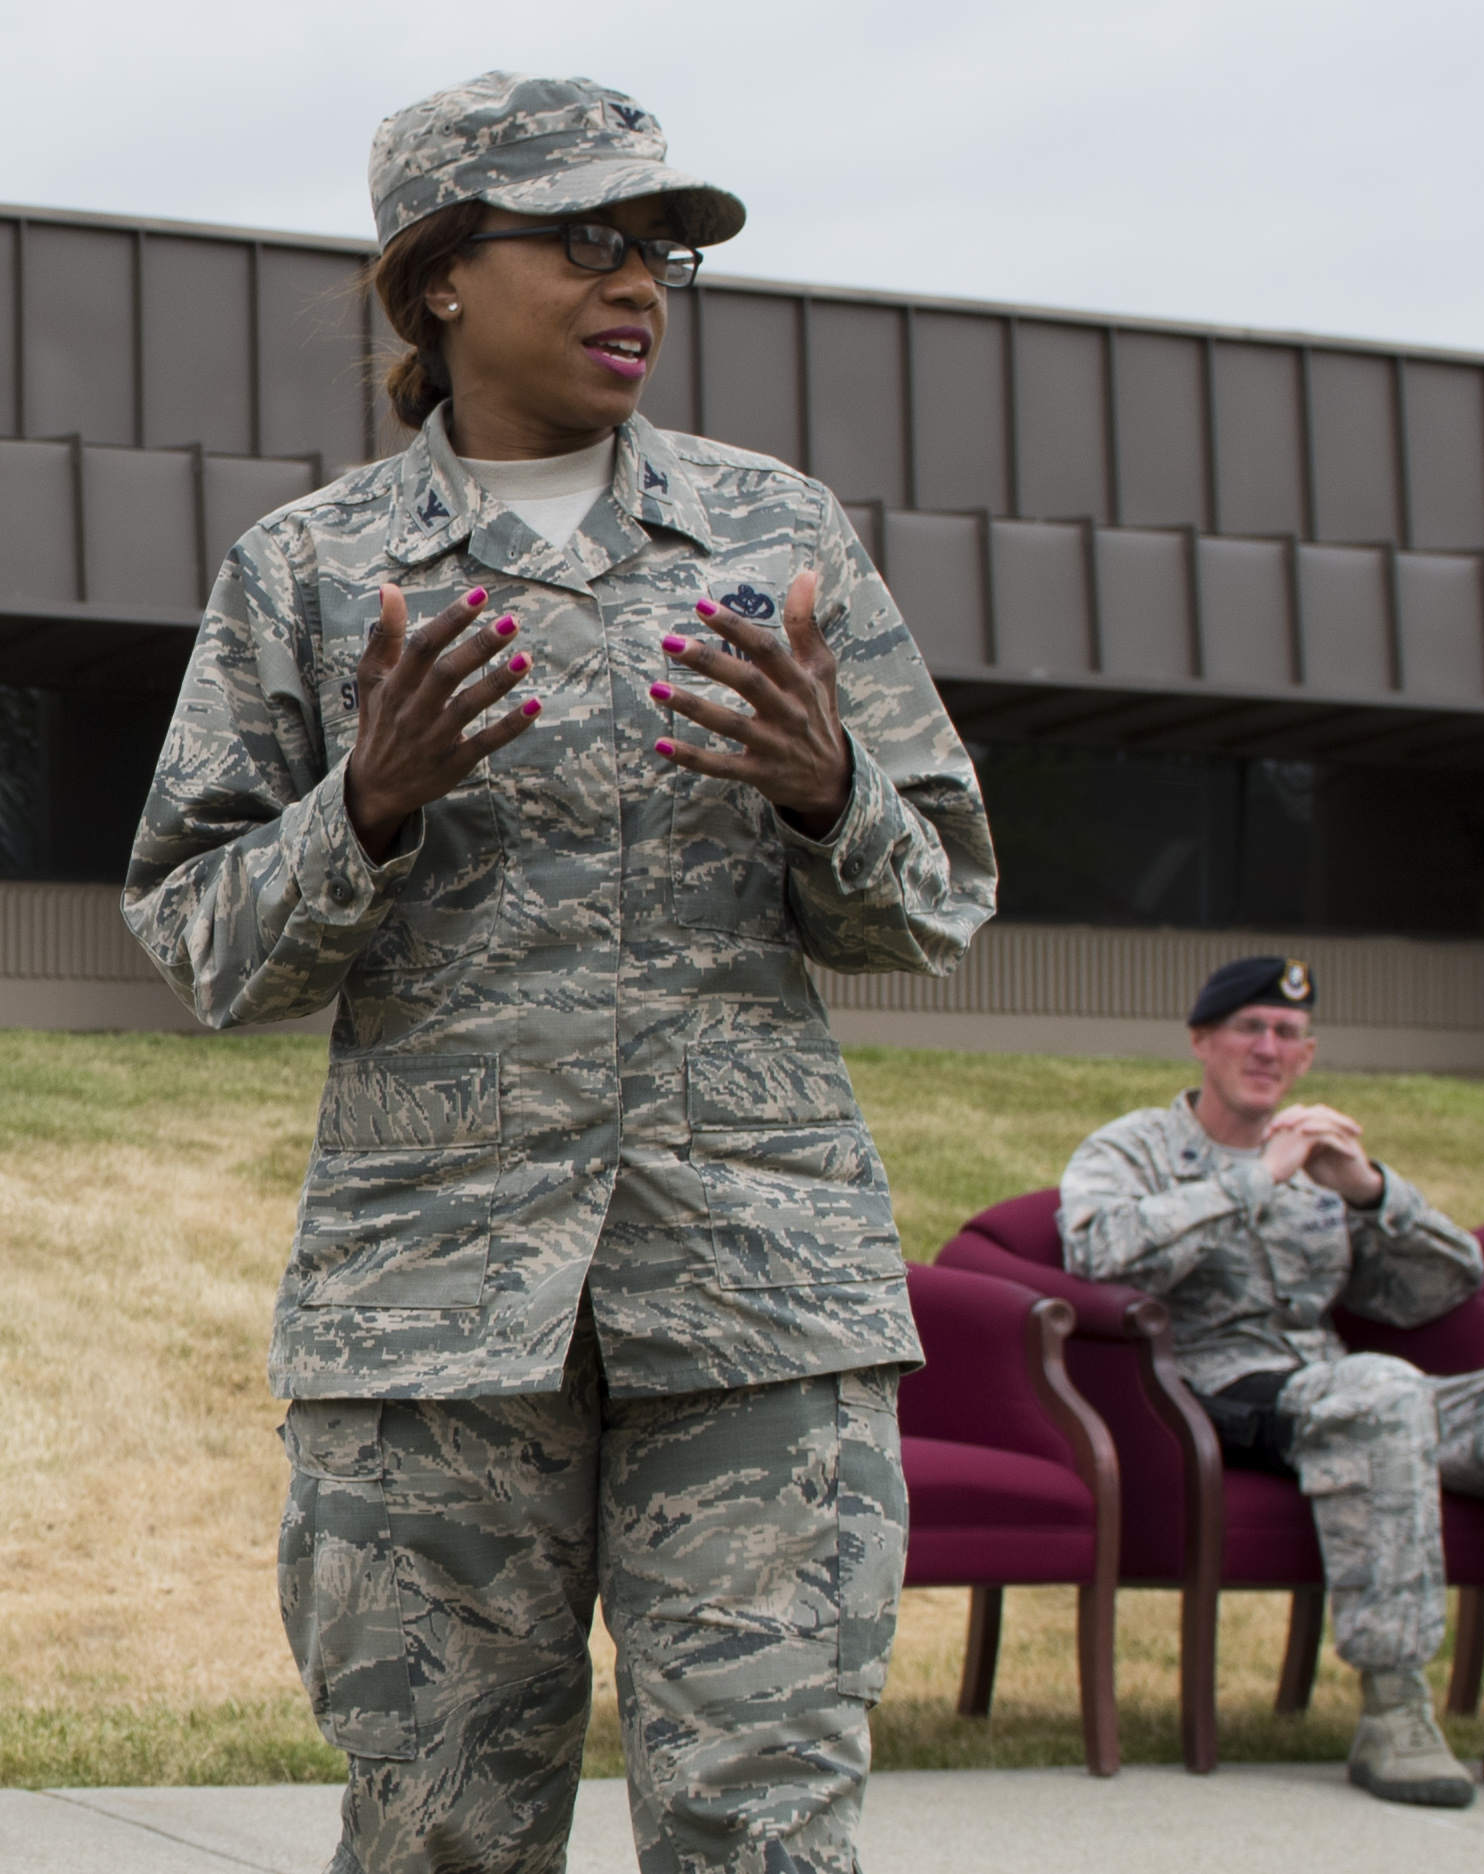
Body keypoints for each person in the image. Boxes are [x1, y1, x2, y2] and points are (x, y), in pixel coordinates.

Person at [123, 72, 994, 1874]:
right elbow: (198, 943)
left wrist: (829, 791)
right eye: (587, 238)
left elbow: (937, 902)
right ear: (439, 275)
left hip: (758, 1297)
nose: (640, 284)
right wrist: (358, 810)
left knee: (764, 1832)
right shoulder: (308, 572)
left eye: (661, 248)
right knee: (439, 1827)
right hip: (433, 1310)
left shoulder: (779, 541)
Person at [1059, 957, 1484, 1809]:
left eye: (1289, 1034)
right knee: (1379, 1388)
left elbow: (1450, 1284)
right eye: (1249, 1028)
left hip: (1351, 1388)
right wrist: (1255, 1177)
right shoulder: (1135, 1147)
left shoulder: (1322, 1158)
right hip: (1216, 1398)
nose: (1269, 1048)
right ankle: (1395, 1709)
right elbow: (1098, 1251)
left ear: (1308, 1054)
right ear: (1200, 1041)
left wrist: (1369, 1192)